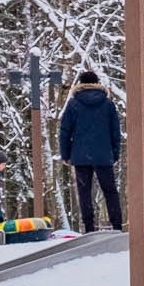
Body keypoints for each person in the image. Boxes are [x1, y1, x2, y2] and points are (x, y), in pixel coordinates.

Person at [59, 69, 124, 233]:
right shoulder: (108, 104)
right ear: (96, 83)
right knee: (110, 191)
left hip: (80, 155)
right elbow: (115, 131)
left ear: (80, 84)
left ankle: (88, 227)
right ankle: (117, 225)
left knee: (84, 192)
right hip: (103, 154)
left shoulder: (73, 104)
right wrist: (114, 153)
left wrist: (65, 154)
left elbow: (65, 131)